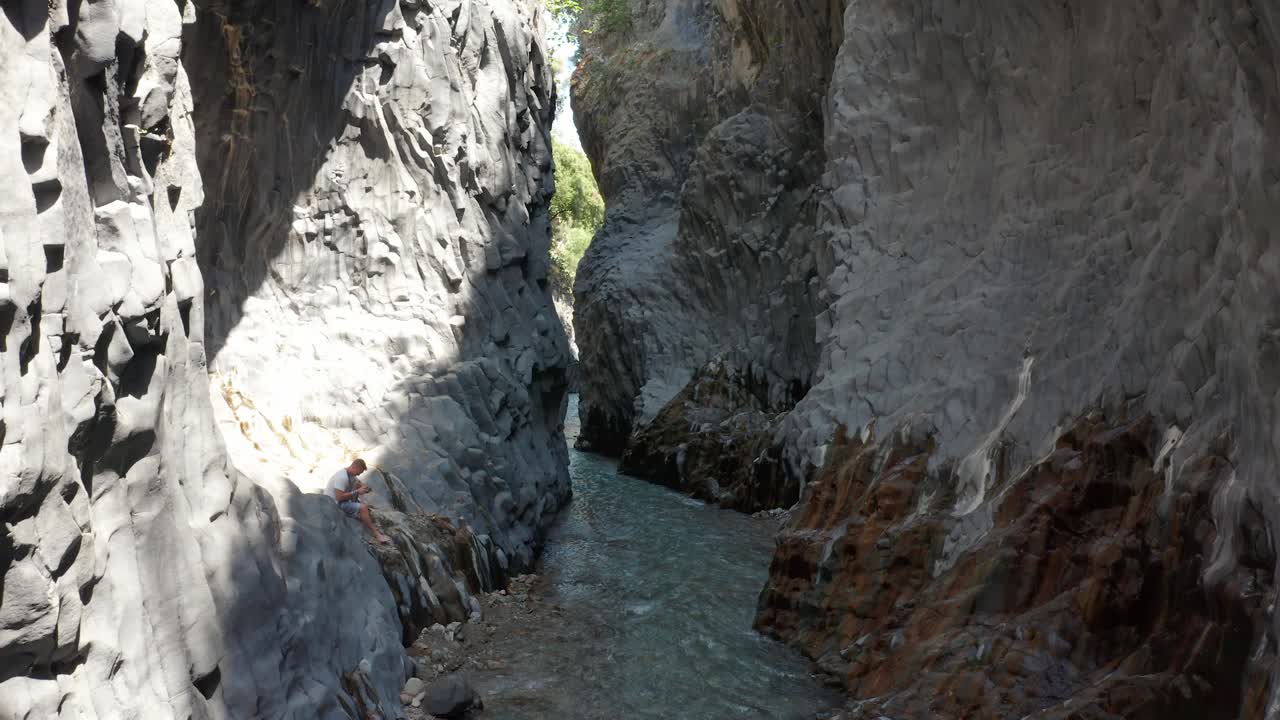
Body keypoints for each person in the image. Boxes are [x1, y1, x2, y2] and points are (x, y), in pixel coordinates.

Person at [324, 458, 390, 544]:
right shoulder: (342, 477)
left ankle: (359, 516)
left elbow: (358, 482)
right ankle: (377, 534)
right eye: (360, 472)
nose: (359, 474)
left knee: (360, 499)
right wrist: (357, 492)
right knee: (363, 508)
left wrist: (365, 488)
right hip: (334, 504)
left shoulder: (350, 474)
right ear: (355, 467)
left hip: (342, 501)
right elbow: (339, 497)